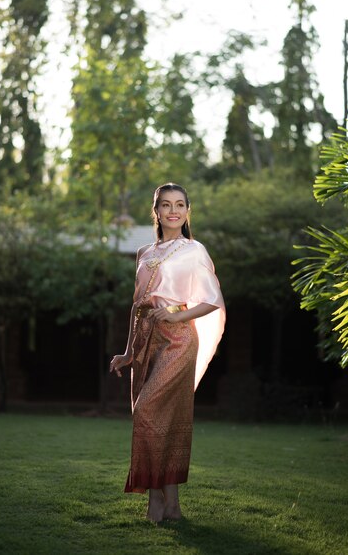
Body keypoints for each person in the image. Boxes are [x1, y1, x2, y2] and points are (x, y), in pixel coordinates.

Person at [109, 182, 225, 523]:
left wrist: (175, 313)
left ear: (188, 212)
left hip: (178, 340)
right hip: (146, 337)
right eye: (165, 205)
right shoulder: (145, 252)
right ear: (156, 211)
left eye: (179, 205)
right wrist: (129, 351)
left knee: (147, 411)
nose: (172, 211)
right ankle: (172, 505)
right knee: (162, 422)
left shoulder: (195, 250)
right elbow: (137, 306)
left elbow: (210, 300)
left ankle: (155, 501)